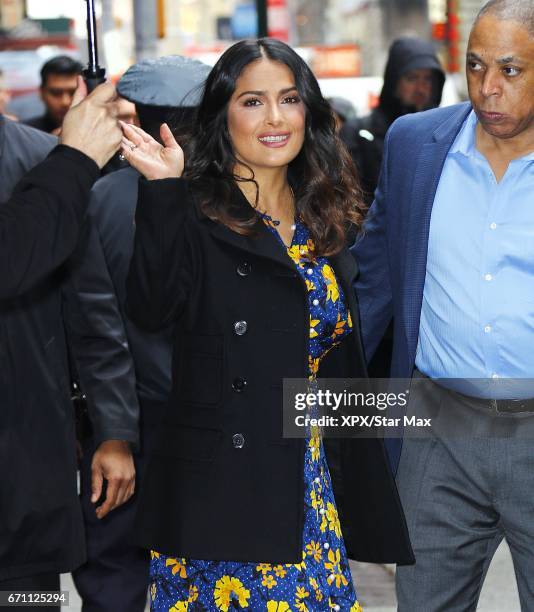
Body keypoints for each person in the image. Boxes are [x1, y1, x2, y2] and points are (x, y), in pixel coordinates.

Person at [122, 38, 413, 612]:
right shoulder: (193, 207)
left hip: (309, 487)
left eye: (289, 99)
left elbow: (337, 368)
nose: (275, 118)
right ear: (223, 116)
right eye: (252, 102)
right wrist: (162, 195)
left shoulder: (324, 218)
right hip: (222, 495)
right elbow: (150, 308)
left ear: (309, 109)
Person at [352, 0, 534, 609]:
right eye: (476, 66)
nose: (488, 88)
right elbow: (370, 281)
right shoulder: (414, 146)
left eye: (510, 70)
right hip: (435, 429)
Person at [69, 55, 210, 612]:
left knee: (114, 574)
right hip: (208, 423)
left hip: (126, 423)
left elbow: (93, 325)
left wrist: (111, 432)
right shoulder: (235, 198)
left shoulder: (98, 199)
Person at [0, 81, 123, 606]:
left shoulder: (40, 155)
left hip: (26, 472)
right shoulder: (62, 162)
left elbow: (93, 310)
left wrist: (114, 432)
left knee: (29, 600)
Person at [340, 37, 445, 204]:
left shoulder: (445, 133)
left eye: (427, 79)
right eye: (412, 78)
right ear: (393, 82)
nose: (420, 87)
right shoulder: (358, 133)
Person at [25, 55, 83, 134]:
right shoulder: (25, 133)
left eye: (73, 93)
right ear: (41, 93)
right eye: (56, 93)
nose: (65, 102)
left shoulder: (99, 130)